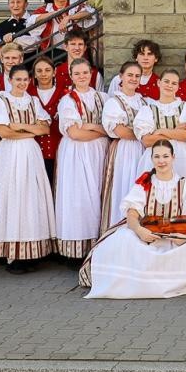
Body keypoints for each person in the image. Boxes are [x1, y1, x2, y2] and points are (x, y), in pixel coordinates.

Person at [83, 141, 186, 299]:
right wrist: (139, 230)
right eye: (157, 156)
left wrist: (183, 237)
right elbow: (131, 214)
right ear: (151, 159)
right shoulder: (145, 183)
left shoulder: (184, 185)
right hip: (147, 232)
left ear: (173, 157)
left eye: (166, 156)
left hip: (176, 235)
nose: (161, 160)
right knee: (122, 240)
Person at [0, 64, 57, 273]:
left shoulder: (33, 100)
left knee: (31, 199)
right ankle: (13, 255)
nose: (22, 83)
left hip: (31, 154)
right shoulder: (1, 100)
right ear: (10, 80)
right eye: (18, 80)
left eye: (25, 80)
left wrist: (19, 126)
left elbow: (45, 128)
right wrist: (29, 132)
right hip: (10, 153)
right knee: (12, 198)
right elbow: (4, 132)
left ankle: (31, 252)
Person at [53, 58, 108, 262]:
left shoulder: (102, 97)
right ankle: (75, 249)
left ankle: (96, 245)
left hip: (98, 152)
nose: (82, 77)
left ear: (91, 73)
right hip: (76, 154)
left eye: (85, 73)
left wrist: (89, 126)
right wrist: (99, 130)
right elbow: (75, 133)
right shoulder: (67, 100)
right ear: (71, 75)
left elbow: (109, 128)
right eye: (77, 74)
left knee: (97, 194)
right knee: (78, 196)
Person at [135, 71, 186, 195]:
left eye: (174, 83)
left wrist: (160, 131)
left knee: (183, 193)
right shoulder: (147, 109)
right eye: (166, 81)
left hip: (183, 156)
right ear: (159, 83)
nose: (169, 85)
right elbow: (147, 141)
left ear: (178, 87)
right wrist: (176, 132)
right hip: (156, 156)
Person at [101, 62, 153, 227]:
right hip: (125, 150)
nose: (133, 79)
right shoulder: (113, 102)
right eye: (130, 75)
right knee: (125, 186)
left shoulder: (145, 102)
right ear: (121, 77)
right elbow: (121, 132)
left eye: (137, 76)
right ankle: (119, 230)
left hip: (144, 151)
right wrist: (144, 135)